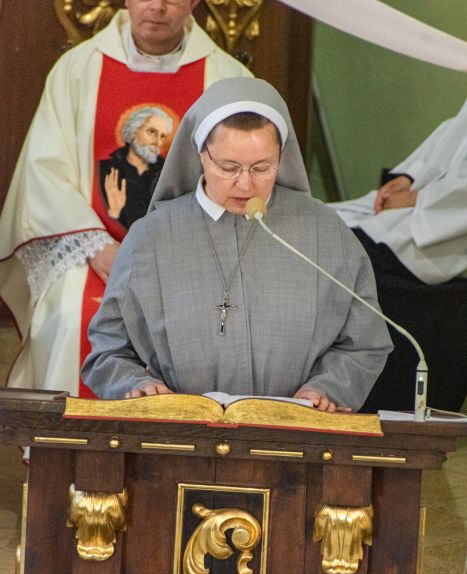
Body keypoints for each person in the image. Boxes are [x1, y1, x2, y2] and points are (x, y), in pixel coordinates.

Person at [81, 77, 393, 412]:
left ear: (282, 157)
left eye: (262, 167)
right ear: (201, 154)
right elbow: (108, 352)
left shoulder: (325, 232)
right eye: (229, 167)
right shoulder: (150, 238)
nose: (245, 184)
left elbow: (364, 343)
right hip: (181, 430)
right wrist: (136, 385)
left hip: (294, 428)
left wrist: (327, 389)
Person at [0, 0, 251, 398]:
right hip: (93, 253)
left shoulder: (227, 79)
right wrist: (100, 249)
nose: (158, 7)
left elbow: (243, 176)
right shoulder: (77, 70)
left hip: (189, 256)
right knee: (71, 314)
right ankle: (67, 439)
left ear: (194, 3)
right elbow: (45, 173)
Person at [331, 102, 467, 412]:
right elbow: (453, 133)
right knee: (322, 224)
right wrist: (408, 176)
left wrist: (416, 197)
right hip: (414, 208)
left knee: (346, 251)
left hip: (441, 237)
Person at [100, 106, 173, 229]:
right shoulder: (104, 169)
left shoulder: (167, 173)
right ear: (133, 131)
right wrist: (114, 213)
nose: (157, 142)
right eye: (151, 132)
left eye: (162, 136)